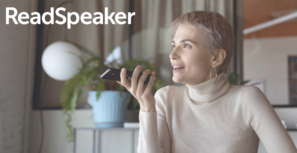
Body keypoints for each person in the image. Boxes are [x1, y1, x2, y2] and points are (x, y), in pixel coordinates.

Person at [116, 11, 297, 153]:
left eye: (186, 45)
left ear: (216, 57)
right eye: (174, 45)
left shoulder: (247, 99)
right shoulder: (165, 98)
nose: (172, 55)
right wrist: (147, 108)